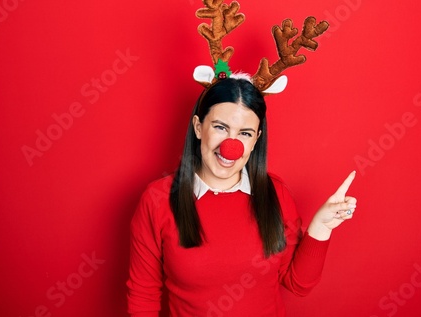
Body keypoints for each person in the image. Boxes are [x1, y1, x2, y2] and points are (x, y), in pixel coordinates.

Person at [126, 76, 358, 316]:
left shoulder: (275, 194)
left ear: (256, 139)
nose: (231, 145)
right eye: (220, 127)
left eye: (245, 133)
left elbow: (298, 284)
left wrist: (321, 227)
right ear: (198, 127)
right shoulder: (158, 199)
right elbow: (144, 295)